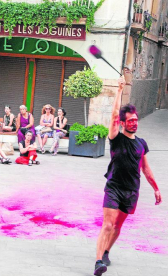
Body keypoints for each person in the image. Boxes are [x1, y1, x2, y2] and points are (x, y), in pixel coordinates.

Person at [93, 76, 162, 276]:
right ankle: (98, 262)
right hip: (113, 187)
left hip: (132, 191)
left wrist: (156, 188)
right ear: (122, 123)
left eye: (136, 120)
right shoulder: (116, 138)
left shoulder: (141, 143)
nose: (134, 123)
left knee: (117, 226)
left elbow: (146, 169)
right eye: (130, 120)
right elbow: (114, 114)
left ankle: (106, 251)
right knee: (107, 224)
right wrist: (119, 90)